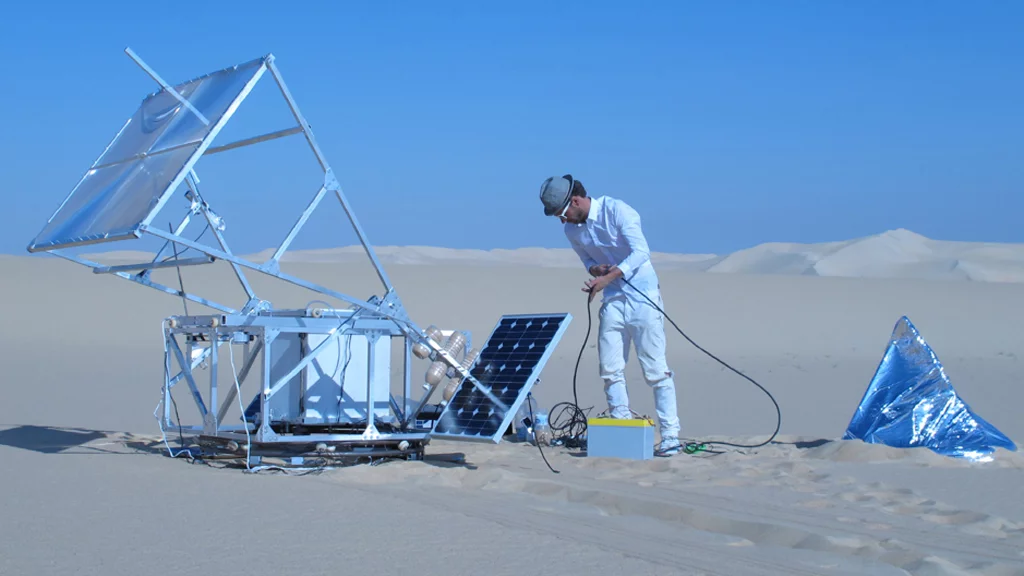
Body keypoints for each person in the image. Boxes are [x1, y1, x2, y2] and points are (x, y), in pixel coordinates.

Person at [538, 174, 682, 457]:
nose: (561, 220)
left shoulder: (617, 211)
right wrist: (596, 273)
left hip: (643, 298)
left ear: (576, 201)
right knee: (610, 368)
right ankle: (621, 426)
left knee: (655, 370)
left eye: (562, 213)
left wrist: (612, 275)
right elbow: (587, 261)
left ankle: (670, 436)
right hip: (613, 299)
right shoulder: (572, 231)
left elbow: (642, 251)